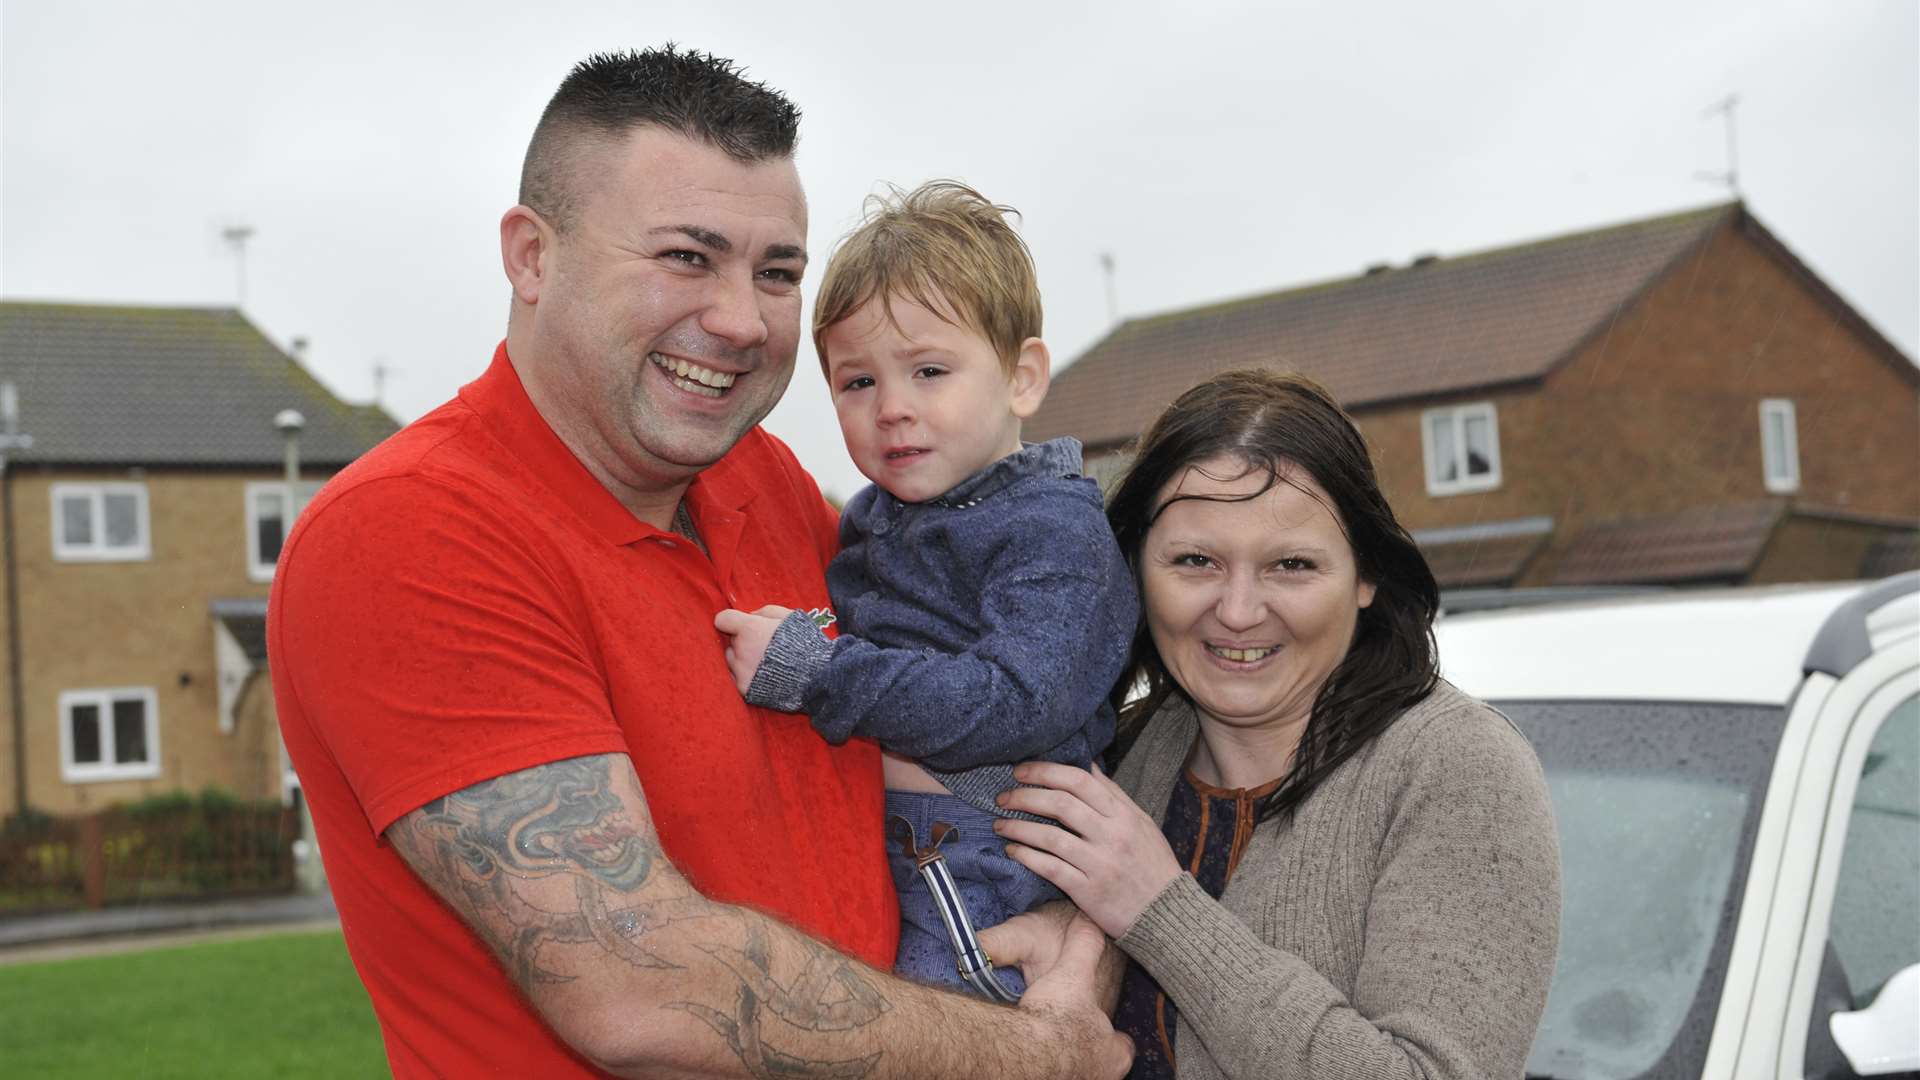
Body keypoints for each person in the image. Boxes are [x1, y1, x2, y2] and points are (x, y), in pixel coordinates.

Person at [268, 47, 1130, 1080]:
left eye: (777, 274)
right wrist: (1036, 1055)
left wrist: (1087, 939)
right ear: (532, 256)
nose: (740, 320)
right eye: (688, 256)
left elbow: (1031, 713)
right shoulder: (411, 533)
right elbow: (640, 988)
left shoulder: (773, 486)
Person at [989, 369, 1562, 1078]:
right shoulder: (1110, 756)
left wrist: (1161, 911)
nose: (1237, 611)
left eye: (1291, 565)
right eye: (1195, 561)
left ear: (1365, 577)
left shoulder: (1456, 768)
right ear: (1135, 569)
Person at [712, 181, 1138, 1000]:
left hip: (988, 860)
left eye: (930, 370)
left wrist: (817, 672)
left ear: (1023, 377)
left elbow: (1016, 702)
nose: (893, 409)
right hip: (898, 844)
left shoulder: (1054, 529)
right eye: (858, 383)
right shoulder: (873, 517)